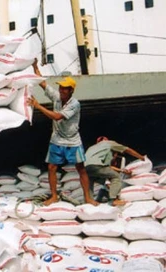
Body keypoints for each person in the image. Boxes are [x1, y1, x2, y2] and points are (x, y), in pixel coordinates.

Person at [27, 59, 98, 206]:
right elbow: (42, 83)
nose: (61, 90)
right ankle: (54, 196)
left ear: (71, 91)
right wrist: (34, 66)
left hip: (73, 141)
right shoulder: (57, 97)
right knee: (52, 167)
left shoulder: (74, 104)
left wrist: (38, 106)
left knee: (81, 169)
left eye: (65, 88)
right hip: (57, 140)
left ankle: (88, 198)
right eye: (60, 88)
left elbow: (57, 117)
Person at [85, 136, 145, 206]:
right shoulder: (109, 143)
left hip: (85, 168)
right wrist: (141, 157)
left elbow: (106, 167)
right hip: (97, 166)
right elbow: (127, 149)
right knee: (116, 176)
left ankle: (89, 202)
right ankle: (113, 200)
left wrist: (121, 170)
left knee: (90, 183)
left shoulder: (91, 148)